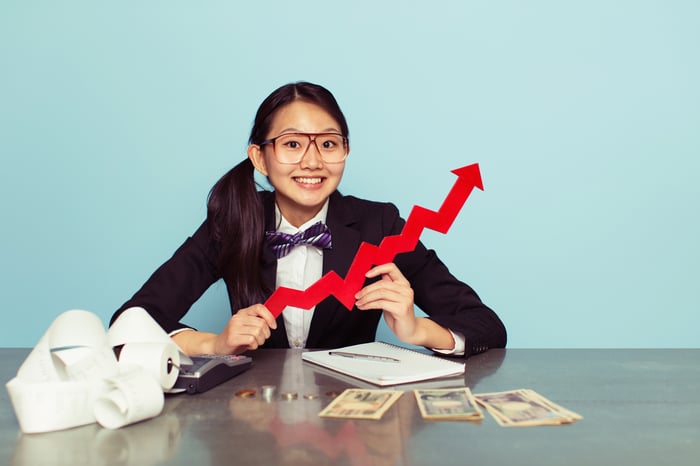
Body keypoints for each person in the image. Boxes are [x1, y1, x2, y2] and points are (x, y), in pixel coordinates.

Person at [111, 81, 506, 358]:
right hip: (252, 427)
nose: (313, 161)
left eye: (329, 144)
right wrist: (213, 344)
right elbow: (131, 322)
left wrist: (418, 330)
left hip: (350, 429)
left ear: (345, 152)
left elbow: (487, 326)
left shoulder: (380, 225)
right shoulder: (230, 224)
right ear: (260, 157)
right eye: (293, 144)